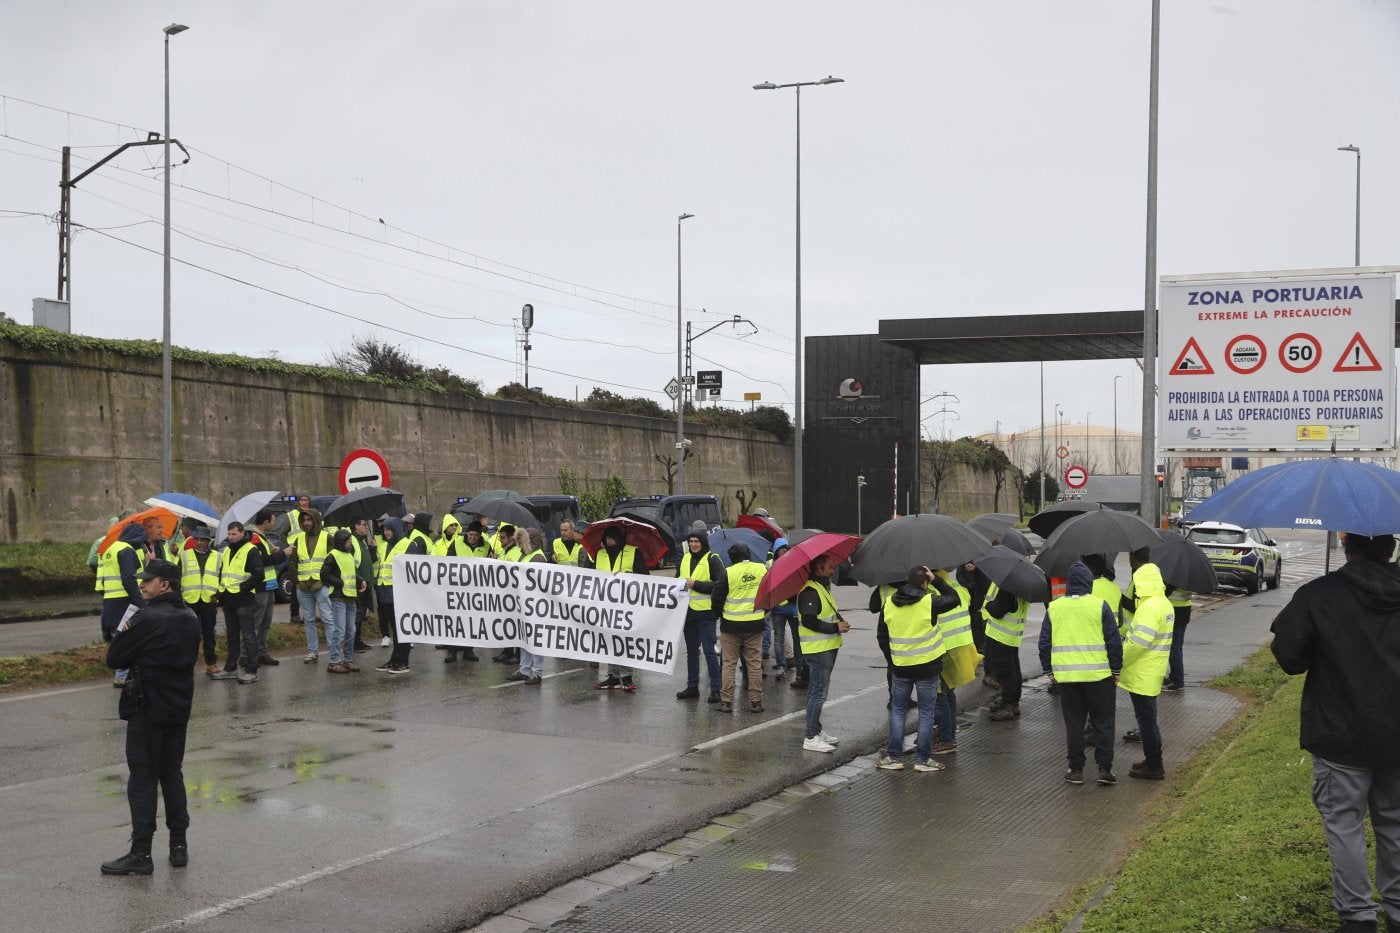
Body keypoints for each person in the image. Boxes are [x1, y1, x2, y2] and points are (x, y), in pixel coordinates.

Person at [1271, 531, 1400, 933]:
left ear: (1347, 547)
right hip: (1397, 735)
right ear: (1390, 549)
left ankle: (1358, 916)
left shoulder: (1319, 593)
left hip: (1338, 732)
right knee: (1395, 823)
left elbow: (1290, 658)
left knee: (1344, 823)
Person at [100, 559, 200, 876]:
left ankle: (141, 853)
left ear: (165, 585)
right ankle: (178, 847)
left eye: (148, 580)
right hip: (178, 706)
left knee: (143, 778)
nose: (142, 585)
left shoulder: (146, 618)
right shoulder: (191, 616)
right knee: (172, 773)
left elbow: (114, 657)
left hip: (147, 707)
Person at [1038, 559, 1122, 787]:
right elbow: (1113, 641)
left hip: (1068, 679)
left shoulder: (1055, 608)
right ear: (1088, 583)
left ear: (1068, 584)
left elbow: (1044, 643)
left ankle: (1075, 770)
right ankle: (1105, 769)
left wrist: (1049, 671)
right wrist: (1116, 670)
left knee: (1074, 725)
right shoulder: (1099, 605)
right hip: (1100, 677)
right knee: (1103, 724)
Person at [877, 565, 960, 773]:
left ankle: (894, 757)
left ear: (906, 580)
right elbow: (954, 598)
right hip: (928, 667)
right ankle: (922, 760)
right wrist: (937, 581)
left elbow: (882, 637)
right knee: (926, 712)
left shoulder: (888, 604)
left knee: (898, 711)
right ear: (925, 582)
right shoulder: (929, 602)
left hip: (901, 667)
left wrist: (893, 658)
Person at [1116, 551, 1174, 780]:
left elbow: (1138, 643)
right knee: (1148, 719)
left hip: (1143, 672)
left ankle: (1154, 764)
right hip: (1153, 670)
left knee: (1147, 721)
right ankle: (1151, 760)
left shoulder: (1150, 608)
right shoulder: (1164, 603)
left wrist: (1118, 662)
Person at [797, 555, 850, 753]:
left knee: (817, 692)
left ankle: (816, 731)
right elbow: (810, 620)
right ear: (818, 569)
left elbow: (825, 612)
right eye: (829, 567)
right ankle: (811, 737)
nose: (832, 570)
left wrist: (839, 622)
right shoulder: (810, 591)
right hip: (818, 650)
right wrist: (836, 627)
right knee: (818, 694)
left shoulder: (820, 587)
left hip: (825, 648)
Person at [711, 542, 768, 713]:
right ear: (748, 554)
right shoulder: (761, 569)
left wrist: (721, 614)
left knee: (729, 664)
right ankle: (756, 702)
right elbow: (770, 593)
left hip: (731, 625)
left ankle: (726, 702)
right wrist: (764, 612)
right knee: (754, 664)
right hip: (755, 623)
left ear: (732, 557)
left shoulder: (728, 572)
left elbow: (717, 597)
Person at [594, 527, 648, 691]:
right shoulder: (600, 554)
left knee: (625, 641)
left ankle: (627, 676)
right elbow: (588, 575)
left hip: (627, 606)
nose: (609, 542)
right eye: (607, 539)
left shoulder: (633, 552)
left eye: (612, 539)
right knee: (609, 640)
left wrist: (625, 576)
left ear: (619, 538)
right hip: (605, 605)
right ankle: (613, 677)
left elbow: (644, 576)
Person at [211, 522, 264, 684]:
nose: (230, 537)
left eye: (234, 534)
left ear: (242, 533)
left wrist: (244, 587)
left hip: (244, 599)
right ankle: (230, 668)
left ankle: (251, 670)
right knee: (232, 636)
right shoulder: (227, 550)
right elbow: (223, 573)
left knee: (248, 636)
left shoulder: (251, 550)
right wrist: (221, 593)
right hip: (228, 599)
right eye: (229, 534)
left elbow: (258, 574)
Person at [373, 517, 428, 674]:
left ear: (396, 529)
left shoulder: (408, 545)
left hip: (400, 594)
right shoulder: (383, 546)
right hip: (385, 593)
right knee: (394, 628)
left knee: (402, 629)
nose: (386, 532)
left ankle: (403, 661)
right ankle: (394, 659)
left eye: (388, 529)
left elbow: (414, 570)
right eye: (384, 529)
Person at [674, 530, 723, 703]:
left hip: (706, 614)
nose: (694, 544)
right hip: (688, 614)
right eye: (691, 541)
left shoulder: (713, 559)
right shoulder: (685, 558)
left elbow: (720, 584)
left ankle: (716, 689)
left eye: (697, 541)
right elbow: (676, 582)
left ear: (703, 543)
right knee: (692, 652)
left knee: (709, 651)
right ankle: (692, 686)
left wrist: (697, 585)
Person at [931, 567, 975, 755]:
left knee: (940, 694)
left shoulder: (932, 592)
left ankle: (946, 738)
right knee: (949, 693)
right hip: (962, 646)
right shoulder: (957, 586)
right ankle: (947, 731)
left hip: (943, 648)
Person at [97, 521, 147, 687]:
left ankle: (122, 672)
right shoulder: (127, 550)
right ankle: (122, 674)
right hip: (125, 600)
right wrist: (140, 603)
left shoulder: (111, 549)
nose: (141, 544)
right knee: (126, 637)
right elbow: (129, 580)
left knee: (118, 637)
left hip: (111, 600)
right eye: (141, 540)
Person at [983, 579, 1033, 721]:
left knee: (1005, 673)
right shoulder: (1022, 587)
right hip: (1012, 636)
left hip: (1001, 637)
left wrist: (988, 605)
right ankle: (1012, 701)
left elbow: (998, 611)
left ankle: (1007, 705)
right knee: (1014, 670)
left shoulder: (1007, 589)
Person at [506, 528, 549, 684]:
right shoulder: (526, 555)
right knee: (524, 637)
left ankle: (537, 671)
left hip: (535, 604)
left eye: (522, 541)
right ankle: (525, 669)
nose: (519, 545)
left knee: (536, 638)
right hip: (525, 603)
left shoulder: (537, 557)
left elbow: (535, 582)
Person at [320, 528, 366, 673]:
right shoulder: (332, 555)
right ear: (342, 542)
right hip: (339, 597)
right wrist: (339, 583)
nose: (351, 543)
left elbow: (352, 573)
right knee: (340, 631)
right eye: (349, 540)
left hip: (350, 597)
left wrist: (361, 580)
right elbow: (324, 575)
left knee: (351, 631)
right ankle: (333, 661)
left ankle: (347, 660)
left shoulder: (348, 555)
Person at [177, 525, 221, 675]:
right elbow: (177, 577)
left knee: (209, 634)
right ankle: (188, 664)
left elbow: (222, 577)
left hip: (209, 600)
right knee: (190, 635)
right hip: (190, 600)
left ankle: (211, 663)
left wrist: (218, 595)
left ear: (208, 541)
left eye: (202, 540)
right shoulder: (184, 555)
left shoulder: (218, 556)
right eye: (197, 539)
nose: (199, 542)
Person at [289, 509, 332, 664]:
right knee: (309, 620)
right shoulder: (298, 538)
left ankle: (333, 652)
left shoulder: (327, 537)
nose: (306, 523)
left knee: (327, 619)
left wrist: (327, 581)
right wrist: (296, 582)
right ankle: (312, 651)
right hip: (303, 586)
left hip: (321, 585)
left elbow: (333, 561)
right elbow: (293, 562)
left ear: (315, 520)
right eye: (304, 520)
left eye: (309, 520)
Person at [249, 509, 287, 668]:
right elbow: (261, 561)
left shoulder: (262, 537)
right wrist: (283, 554)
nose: (274, 523)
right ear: (265, 522)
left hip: (269, 584)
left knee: (265, 624)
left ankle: (262, 653)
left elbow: (264, 557)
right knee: (256, 623)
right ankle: (247, 655)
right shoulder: (254, 538)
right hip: (260, 586)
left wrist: (272, 551)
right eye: (273, 521)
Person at [1162, 582, 1193, 691]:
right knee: (1178, 646)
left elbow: (1166, 591)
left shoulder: (1174, 575)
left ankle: (1178, 681)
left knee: (1174, 648)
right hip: (1186, 607)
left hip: (1174, 608)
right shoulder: (1189, 572)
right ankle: (1174, 677)